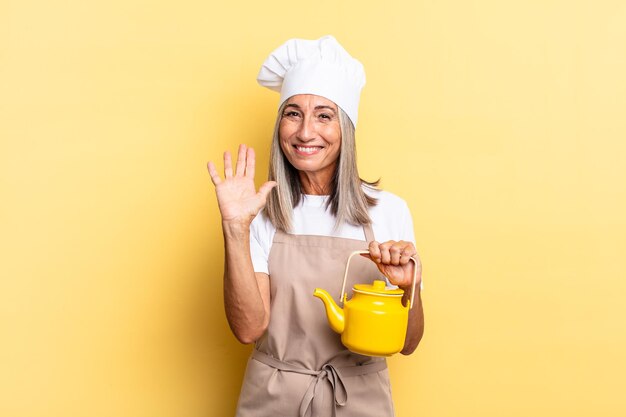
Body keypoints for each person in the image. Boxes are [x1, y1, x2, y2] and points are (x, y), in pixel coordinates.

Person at [207, 35, 424, 417]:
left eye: (324, 115)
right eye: (293, 113)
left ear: (346, 129)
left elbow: (407, 343)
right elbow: (248, 329)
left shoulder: (388, 210)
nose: (306, 132)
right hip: (272, 398)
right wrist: (235, 228)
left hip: (359, 400)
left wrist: (410, 290)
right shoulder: (260, 212)